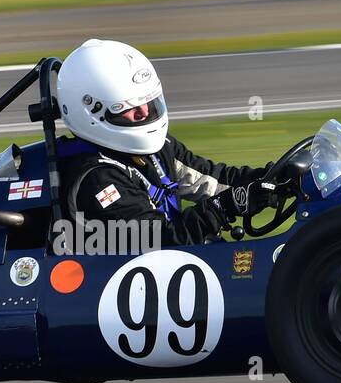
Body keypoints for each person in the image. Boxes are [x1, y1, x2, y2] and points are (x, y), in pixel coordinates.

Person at [55, 38, 282, 246]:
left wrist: (275, 179)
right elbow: (160, 240)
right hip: (122, 278)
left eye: (149, 101)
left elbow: (213, 179)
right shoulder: (97, 180)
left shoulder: (156, 148)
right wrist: (223, 208)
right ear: (91, 112)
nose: (144, 112)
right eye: (127, 107)